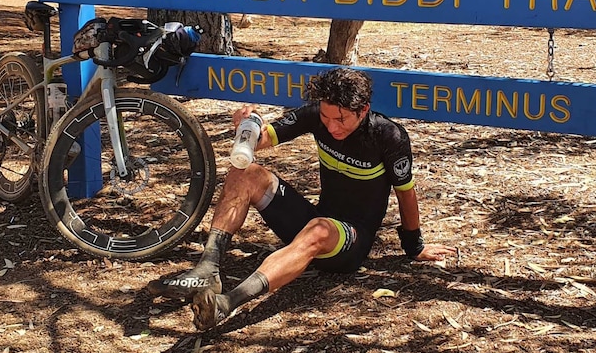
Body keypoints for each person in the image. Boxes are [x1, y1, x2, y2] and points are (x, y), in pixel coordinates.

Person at [148, 67, 456, 330]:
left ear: (364, 110)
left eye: (341, 119)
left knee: (319, 229)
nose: (332, 126)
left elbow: (406, 194)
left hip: (350, 242)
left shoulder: (388, 137)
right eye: (326, 117)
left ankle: (226, 303)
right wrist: (247, 124)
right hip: (314, 222)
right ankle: (207, 268)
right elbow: (266, 138)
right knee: (246, 172)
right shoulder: (318, 117)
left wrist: (414, 247)